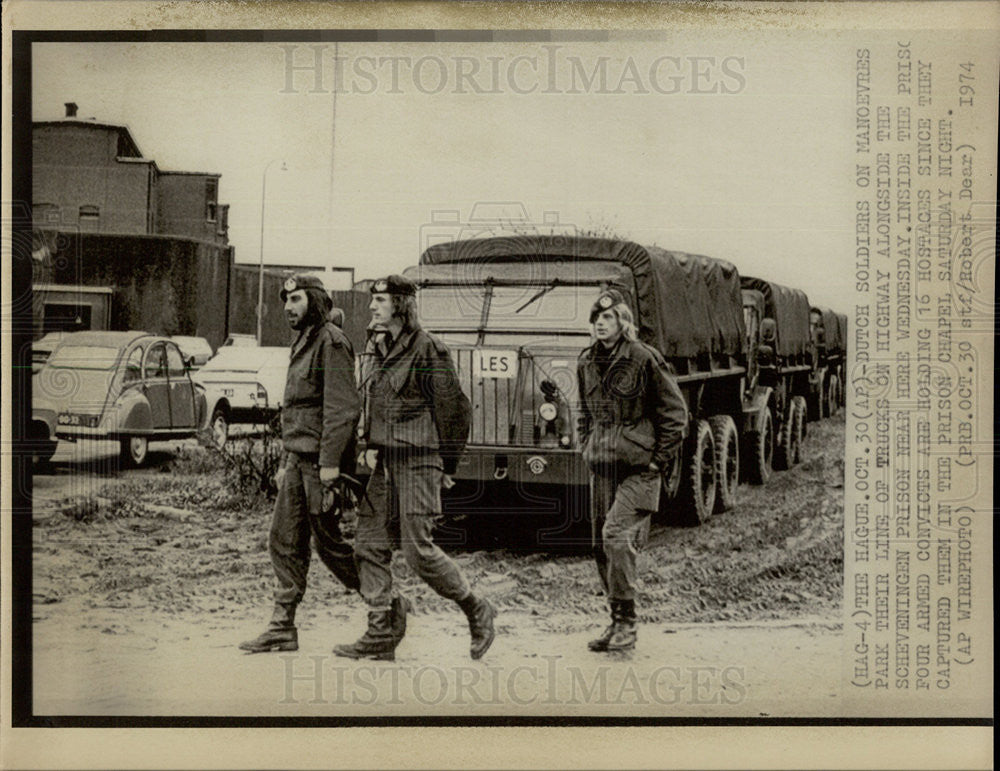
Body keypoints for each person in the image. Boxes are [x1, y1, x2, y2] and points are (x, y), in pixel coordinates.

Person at [334, 274, 496, 661]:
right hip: (386, 461)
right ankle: (381, 628)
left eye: (381, 300)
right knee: (368, 545)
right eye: (373, 300)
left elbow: (455, 408)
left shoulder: (428, 349)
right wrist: (371, 445)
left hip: (420, 461)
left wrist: (447, 464)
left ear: (401, 306)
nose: (373, 306)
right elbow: (379, 403)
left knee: (417, 551)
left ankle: (477, 608)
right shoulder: (379, 346)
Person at [240, 274, 392, 652]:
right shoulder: (304, 341)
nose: (289, 307)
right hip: (298, 461)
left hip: (319, 467)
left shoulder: (331, 342)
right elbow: (298, 409)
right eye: (286, 300)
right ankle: (282, 625)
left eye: (296, 299)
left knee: (331, 547)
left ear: (315, 301)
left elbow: (342, 409)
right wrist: (285, 459)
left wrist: (328, 466)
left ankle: (386, 612)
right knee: (284, 541)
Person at [576, 289, 687, 652]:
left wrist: (659, 460)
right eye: (596, 319)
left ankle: (628, 623)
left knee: (615, 536)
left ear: (623, 322)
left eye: (608, 319)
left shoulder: (643, 358)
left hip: (639, 468)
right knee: (599, 546)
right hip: (603, 467)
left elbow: (675, 414)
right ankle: (615, 620)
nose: (600, 325)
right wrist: (585, 444)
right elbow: (584, 412)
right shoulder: (586, 361)